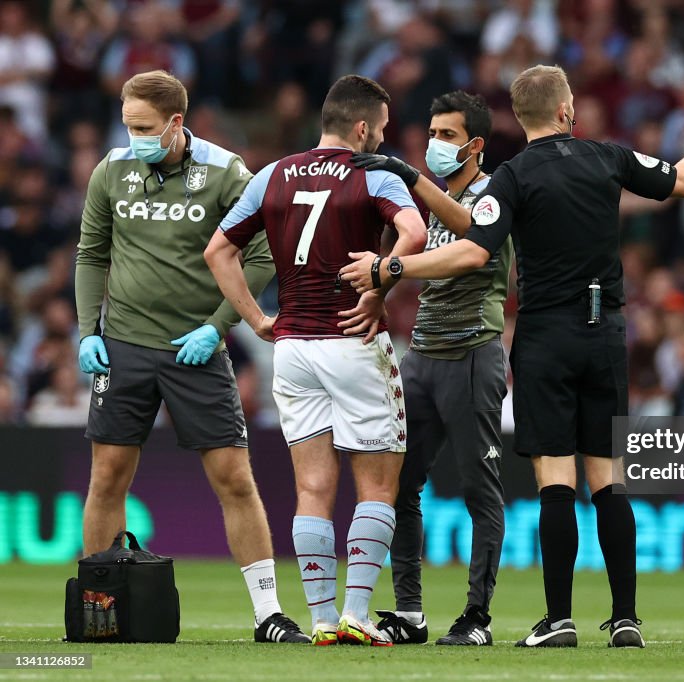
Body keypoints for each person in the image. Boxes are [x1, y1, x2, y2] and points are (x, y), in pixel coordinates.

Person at [342, 64, 684, 649]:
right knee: (606, 478)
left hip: (546, 335)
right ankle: (625, 619)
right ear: (567, 112)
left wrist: (389, 266)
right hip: (606, 331)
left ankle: (560, 620)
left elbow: (472, 251)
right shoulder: (609, 157)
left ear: (518, 121)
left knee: (555, 478)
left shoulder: (513, 179)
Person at [75, 70, 309, 643]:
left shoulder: (227, 173)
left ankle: (267, 615)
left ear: (176, 123)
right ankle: (101, 611)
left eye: (145, 127)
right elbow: (91, 253)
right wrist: (88, 330)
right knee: (107, 476)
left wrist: (218, 326)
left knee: (233, 477)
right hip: (123, 344)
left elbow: (263, 254)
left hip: (195, 349)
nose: (135, 138)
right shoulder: (111, 170)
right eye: (128, 126)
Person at [204, 74, 427, 647]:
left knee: (312, 488)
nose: (381, 139)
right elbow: (414, 231)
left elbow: (218, 251)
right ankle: (356, 612)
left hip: (293, 349)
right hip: (350, 340)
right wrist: (378, 287)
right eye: (379, 129)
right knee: (377, 487)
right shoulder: (372, 172)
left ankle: (323, 620)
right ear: (361, 127)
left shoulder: (272, 174)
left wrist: (257, 319)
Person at [353, 91, 510, 646]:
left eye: (447, 136)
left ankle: (477, 618)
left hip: (472, 356)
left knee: (479, 491)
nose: (435, 144)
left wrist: (408, 177)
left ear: (475, 145)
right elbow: (419, 251)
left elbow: (470, 236)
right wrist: (380, 292)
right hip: (423, 359)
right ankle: (411, 612)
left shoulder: (494, 195)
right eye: (432, 133)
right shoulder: (439, 198)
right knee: (399, 485)